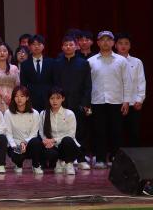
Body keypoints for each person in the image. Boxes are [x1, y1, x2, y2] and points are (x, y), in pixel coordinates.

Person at [88, 31, 132, 168]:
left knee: (116, 132)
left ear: (113, 43)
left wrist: (126, 101)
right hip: (97, 101)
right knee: (99, 132)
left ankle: (115, 159)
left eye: (109, 40)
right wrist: (87, 103)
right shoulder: (91, 61)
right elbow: (87, 84)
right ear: (98, 43)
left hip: (116, 101)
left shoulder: (121, 60)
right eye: (102, 40)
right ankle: (100, 159)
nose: (106, 42)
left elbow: (127, 81)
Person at [53, 35, 92, 169]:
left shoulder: (83, 63)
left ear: (76, 46)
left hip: (78, 103)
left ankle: (81, 159)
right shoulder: (57, 63)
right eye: (66, 45)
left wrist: (85, 104)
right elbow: (55, 84)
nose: (68, 47)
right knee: (63, 132)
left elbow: (88, 86)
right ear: (62, 47)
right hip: (62, 104)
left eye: (71, 44)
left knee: (80, 131)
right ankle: (66, 158)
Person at [4, 85, 44, 174]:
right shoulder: (8, 113)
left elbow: (34, 134)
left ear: (27, 98)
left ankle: (36, 165)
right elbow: (8, 134)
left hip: (29, 145)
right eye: (16, 96)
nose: (19, 99)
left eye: (22, 96)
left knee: (36, 142)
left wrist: (24, 143)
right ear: (13, 98)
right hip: (15, 145)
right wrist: (15, 147)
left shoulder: (35, 113)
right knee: (17, 155)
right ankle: (18, 165)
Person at [115, 33, 146, 147]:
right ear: (115, 45)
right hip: (116, 102)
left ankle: (135, 155)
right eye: (120, 43)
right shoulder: (111, 61)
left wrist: (140, 99)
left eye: (126, 43)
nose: (123, 46)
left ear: (130, 46)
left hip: (133, 103)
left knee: (134, 132)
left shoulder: (137, 62)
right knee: (117, 132)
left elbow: (141, 81)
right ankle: (116, 155)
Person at [41, 88, 79, 175]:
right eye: (52, 98)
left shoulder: (69, 114)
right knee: (48, 152)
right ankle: (59, 162)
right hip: (53, 146)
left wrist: (54, 140)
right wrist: (47, 141)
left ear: (63, 99)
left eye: (58, 98)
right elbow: (42, 132)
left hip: (68, 145)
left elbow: (71, 135)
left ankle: (69, 164)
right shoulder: (43, 114)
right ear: (48, 99)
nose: (55, 101)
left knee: (67, 140)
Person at [19, 35, 55, 111]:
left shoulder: (51, 62)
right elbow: (23, 84)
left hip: (48, 98)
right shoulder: (25, 64)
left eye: (39, 44)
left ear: (43, 46)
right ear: (29, 47)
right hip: (31, 99)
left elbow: (55, 82)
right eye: (33, 44)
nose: (36, 46)